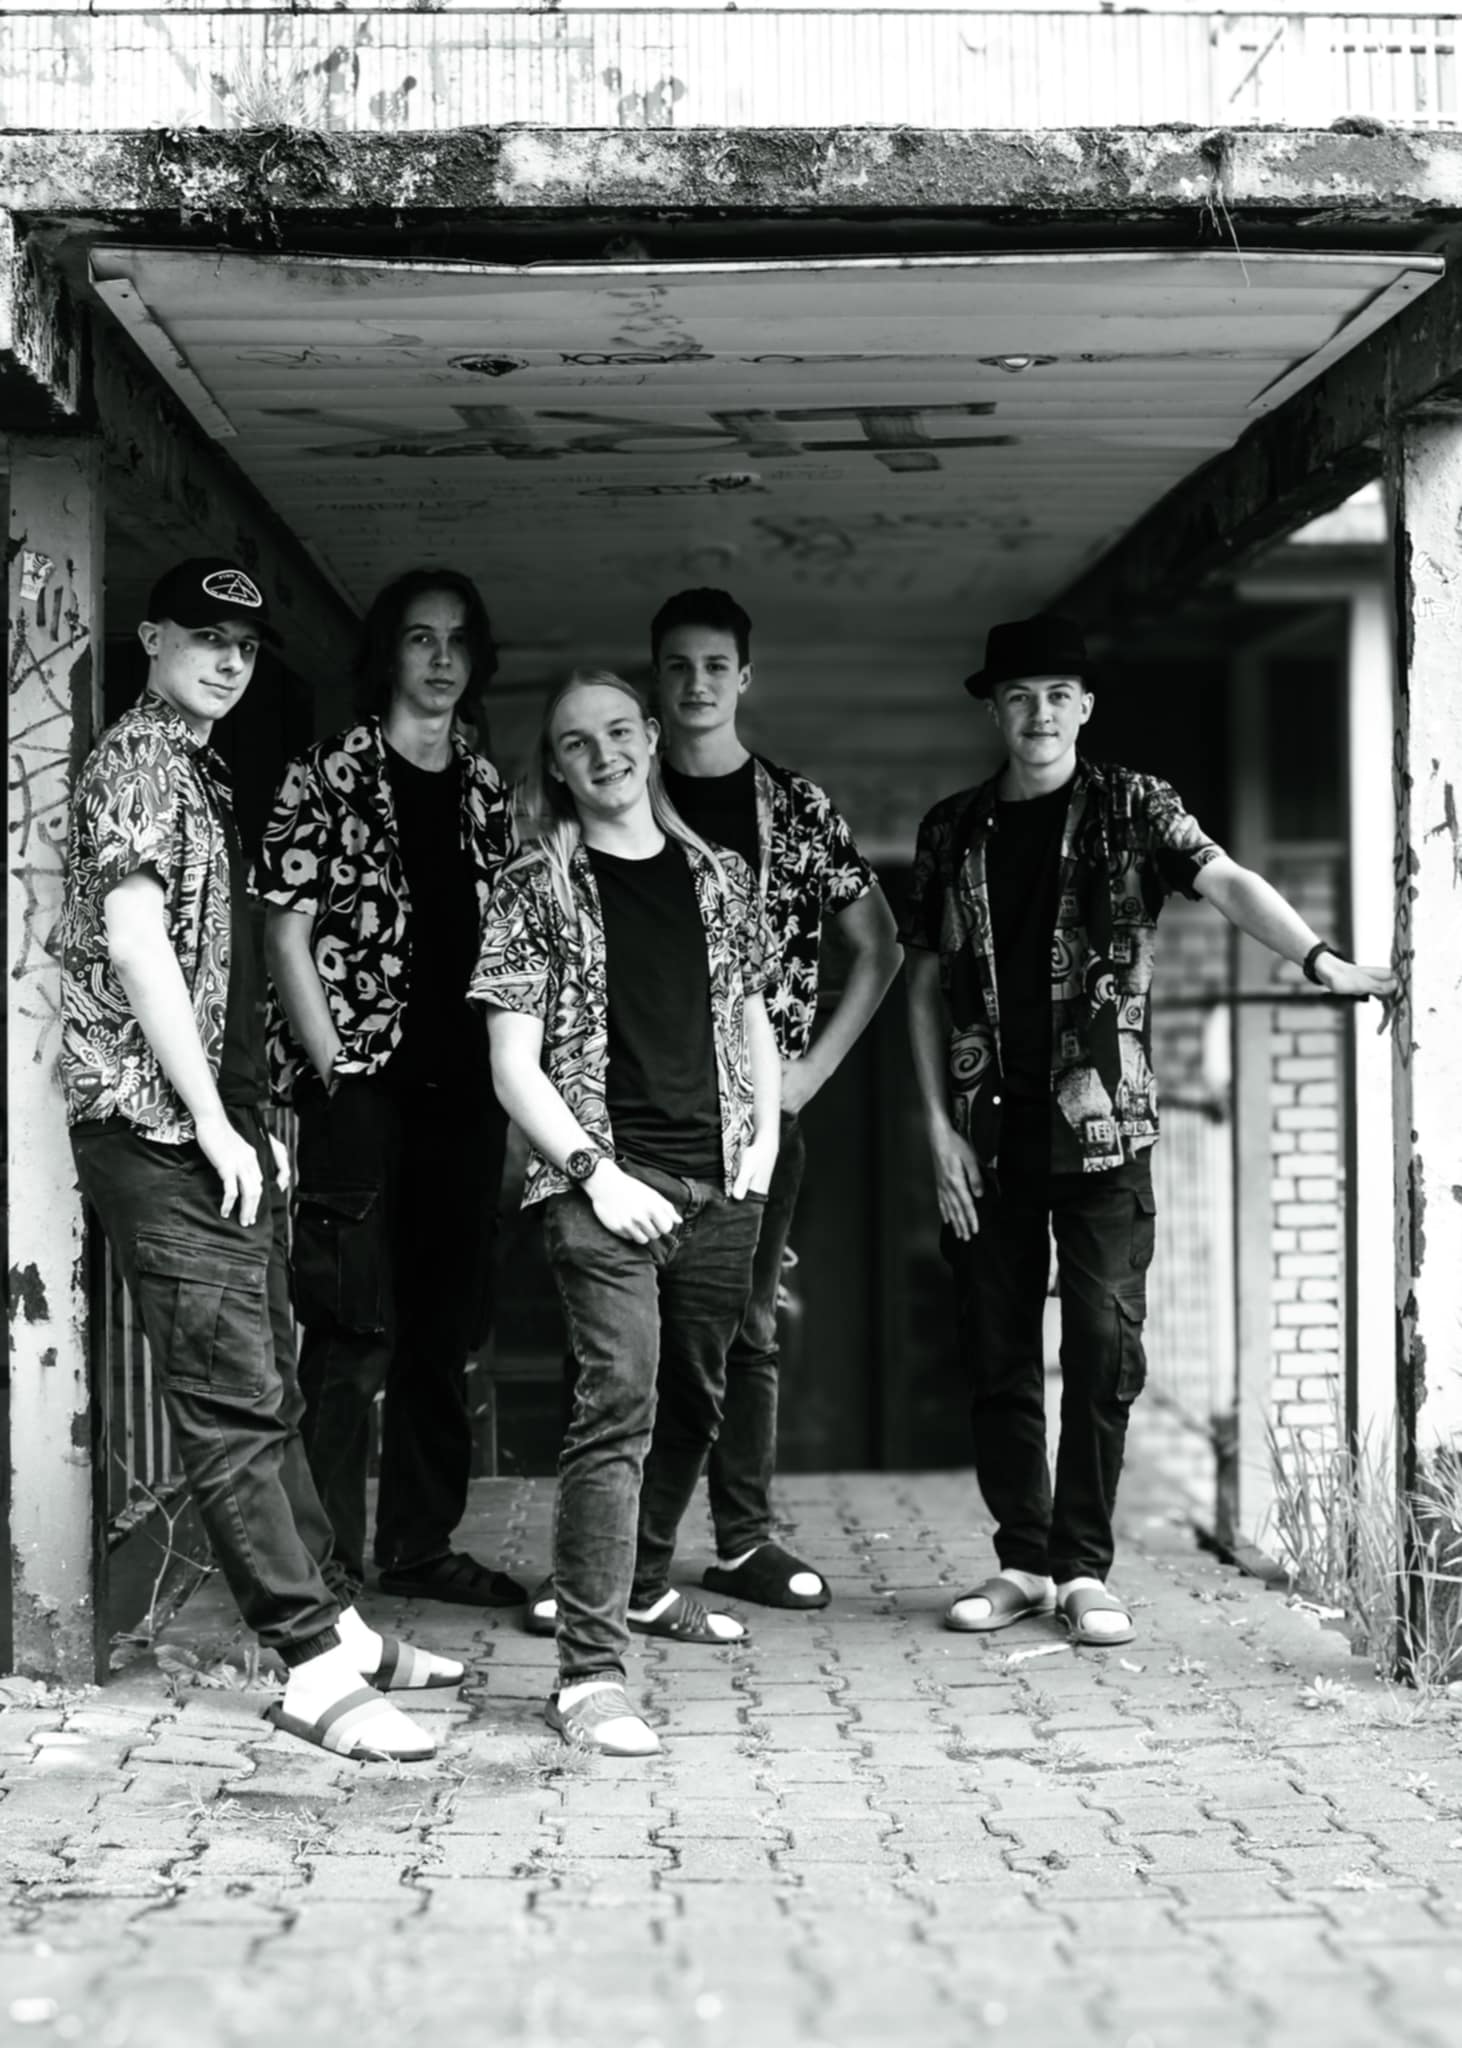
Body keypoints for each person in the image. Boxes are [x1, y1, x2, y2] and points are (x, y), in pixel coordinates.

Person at [902, 613, 1395, 1647]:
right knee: (995, 1352)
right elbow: (923, 982)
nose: (1038, 714)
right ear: (995, 712)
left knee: (1100, 1346)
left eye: (1056, 695)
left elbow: (1226, 880)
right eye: (1018, 697)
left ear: (1084, 706)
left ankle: (1082, 1567)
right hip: (985, 1141)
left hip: (1104, 1137)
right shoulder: (952, 829)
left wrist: (1319, 960)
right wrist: (935, 1127)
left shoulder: (1133, 806)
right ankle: (1022, 1562)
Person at [61, 558, 463, 1762]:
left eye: (243, 644)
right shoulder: (138, 761)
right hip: (156, 1125)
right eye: (206, 637)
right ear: (151, 638)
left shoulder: (202, 765)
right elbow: (137, 946)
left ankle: (338, 1621)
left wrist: (246, 1122)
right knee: (232, 1400)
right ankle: (308, 1667)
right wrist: (213, 1120)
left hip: (215, 1124)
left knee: (271, 1387)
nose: (229, 660)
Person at [472, 669, 781, 1757]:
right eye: (576, 742)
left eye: (617, 731)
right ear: (557, 767)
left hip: (718, 1185)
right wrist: (596, 1173)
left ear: (649, 738)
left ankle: (643, 1583)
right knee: (618, 1405)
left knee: (698, 1397)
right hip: (600, 1188)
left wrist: (765, 1143)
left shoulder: (721, 876)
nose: (602, 754)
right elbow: (512, 1065)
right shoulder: (533, 886)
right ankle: (588, 1676)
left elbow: (753, 1015)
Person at [260, 568, 523, 1612]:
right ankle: (321, 1569)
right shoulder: (324, 773)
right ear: (388, 654)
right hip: (361, 1090)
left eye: (458, 638)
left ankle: (418, 1546)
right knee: (350, 1329)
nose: (442, 656)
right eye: (421, 637)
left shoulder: (488, 791)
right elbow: (284, 930)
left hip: (467, 1096)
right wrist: (334, 1069)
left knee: (443, 1330)